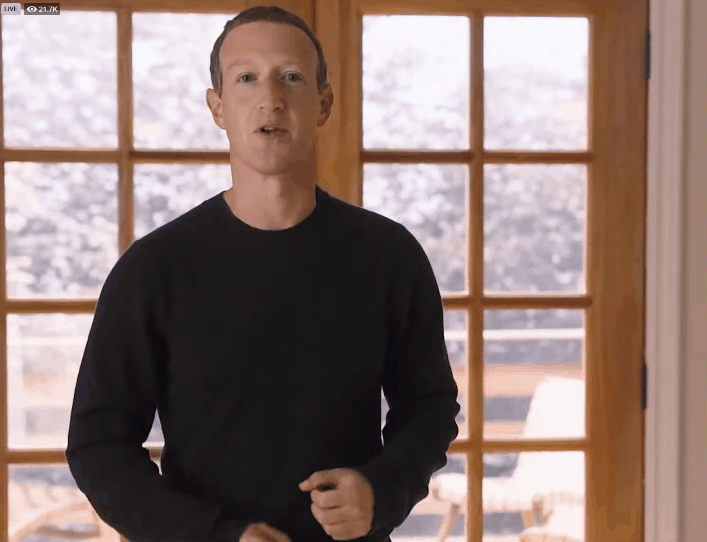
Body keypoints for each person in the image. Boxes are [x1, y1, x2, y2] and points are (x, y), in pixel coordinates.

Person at [65, 6, 460, 542]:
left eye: (291, 77)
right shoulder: (153, 268)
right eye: (246, 77)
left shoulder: (391, 255)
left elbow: (429, 408)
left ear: (323, 104)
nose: (270, 98)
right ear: (218, 106)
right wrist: (211, 534)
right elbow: (98, 444)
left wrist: (382, 490)